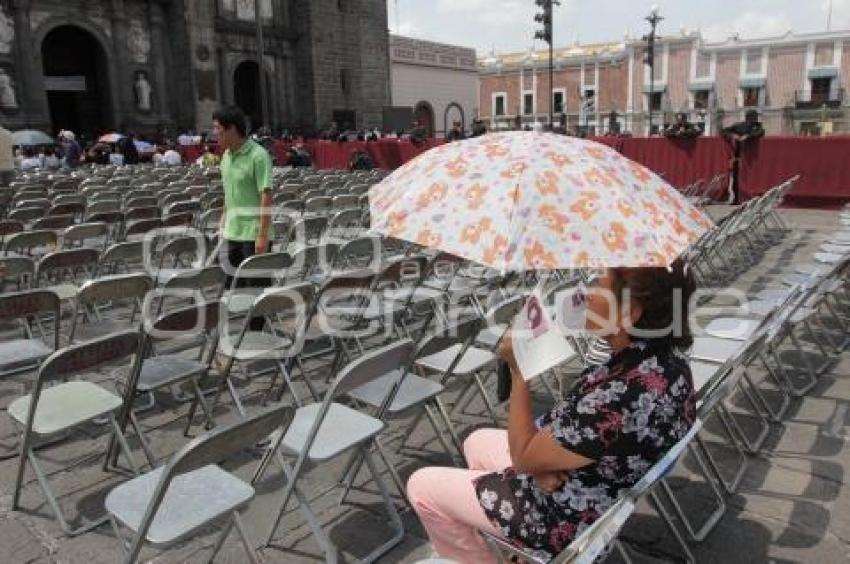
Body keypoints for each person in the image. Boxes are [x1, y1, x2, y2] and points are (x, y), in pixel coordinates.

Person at [407, 262, 697, 563]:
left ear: (629, 313)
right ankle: (513, 549)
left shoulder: (620, 393)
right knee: (476, 440)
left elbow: (523, 456)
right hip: (600, 490)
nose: (584, 294)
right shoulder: (666, 362)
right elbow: (573, 430)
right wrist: (540, 467)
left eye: (598, 285)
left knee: (422, 486)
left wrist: (520, 370)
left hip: (566, 521)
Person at [214, 106, 274, 331]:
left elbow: (266, 196)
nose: (215, 134)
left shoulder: (258, 156)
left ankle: (256, 333)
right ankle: (237, 330)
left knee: (255, 287)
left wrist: (262, 235)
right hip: (232, 231)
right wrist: (222, 221)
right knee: (230, 284)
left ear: (231, 129)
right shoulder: (226, 157)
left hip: (254, 232)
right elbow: (229, 194)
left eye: (218, 129)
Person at [722, 109, 765, 204]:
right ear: (750, 118)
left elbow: (760, 132)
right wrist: (733, 135)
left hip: (751, 157)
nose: (756, 119)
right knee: (736, 178)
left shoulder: (757, 126)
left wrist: (748, 136)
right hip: (738, 155)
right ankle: (736, 199)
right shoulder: (739, 126)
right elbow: (724, 131)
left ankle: (747, 198)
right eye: (755, 117)